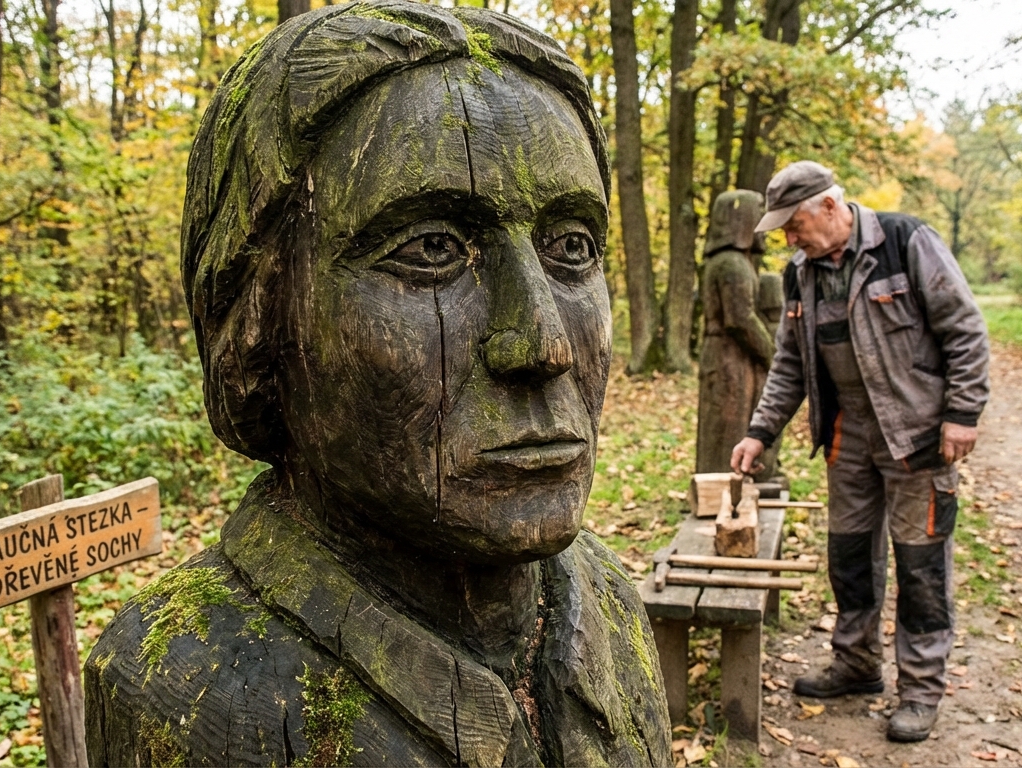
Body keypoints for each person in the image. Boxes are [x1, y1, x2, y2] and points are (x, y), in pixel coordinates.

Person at [82, 3, 670, 765]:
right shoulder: (176, 686)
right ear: (258, 319)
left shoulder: (613, 607)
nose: (543, 344)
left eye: (571, 247)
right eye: (430, 249)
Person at [730, 160, 989, 742]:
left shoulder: (905, 242)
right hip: (847, 436)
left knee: (920, 566)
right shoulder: (802, 274)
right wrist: (759, 431)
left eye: (794, 225)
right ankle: (856, 664)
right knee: (849, 556)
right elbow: (790, 364)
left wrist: (963, 414)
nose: (790, 239)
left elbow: (964, 329)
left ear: (829, 206)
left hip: (916, 435)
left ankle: (920, 690)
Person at [695, 190, 774, 474]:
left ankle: (737, 482)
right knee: (727, 425)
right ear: (742, 221)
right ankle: (721, 488)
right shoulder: (731, 264)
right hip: (727, 357)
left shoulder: (739, 263)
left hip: (734, 357)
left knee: (737, 423)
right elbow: (740, 319)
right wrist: (772, 354)